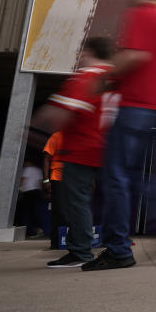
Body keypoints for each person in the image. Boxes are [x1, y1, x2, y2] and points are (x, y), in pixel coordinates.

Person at [83, 0, 156, 272]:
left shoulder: (139, 15)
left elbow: (136, 55)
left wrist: (106, 76)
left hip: (135, 106)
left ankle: (118, 249)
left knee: (116, 177)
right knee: (136, 175)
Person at [38, 37, 115, 268]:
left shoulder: (86, 77)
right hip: (107, 148)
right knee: (113, 198)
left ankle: (81, 251)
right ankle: (113, 245)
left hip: (80, 149)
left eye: (81, 53)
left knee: (76, 202)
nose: (79, 57)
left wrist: (34, 127)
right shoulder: (114, 78)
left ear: (89, 52)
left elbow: (59, 114)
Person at [41, 131, 65, 249]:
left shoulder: (79, 137)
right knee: (58, 211)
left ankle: (71, 240)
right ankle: (56, 242)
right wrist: (46, 179)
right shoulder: (56, 136)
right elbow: (46, 157)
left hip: (75, 180)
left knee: (74, 211)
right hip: (58, 178)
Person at [16, 159, 43, 237]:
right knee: (34, 211)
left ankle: (24, 229)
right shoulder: (38, 170)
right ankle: (38, 229)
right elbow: (41, 181)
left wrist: (18, 189)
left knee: (24, 211)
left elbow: (23, 179)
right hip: (37, 191)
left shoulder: (28, 169)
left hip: (28, 192)